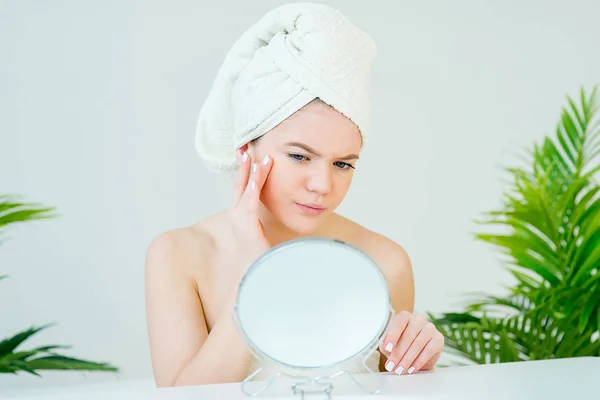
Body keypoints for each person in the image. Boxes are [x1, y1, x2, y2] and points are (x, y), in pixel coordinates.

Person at [144, 2, 445, 388]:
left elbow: (388, 390)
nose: (322, 185)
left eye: (343, 164)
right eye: (300, 156)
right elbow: (185, 396)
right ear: (245, 150)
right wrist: (254, 275)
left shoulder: (384, 262)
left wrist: (418, 362)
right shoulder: (178, 255)